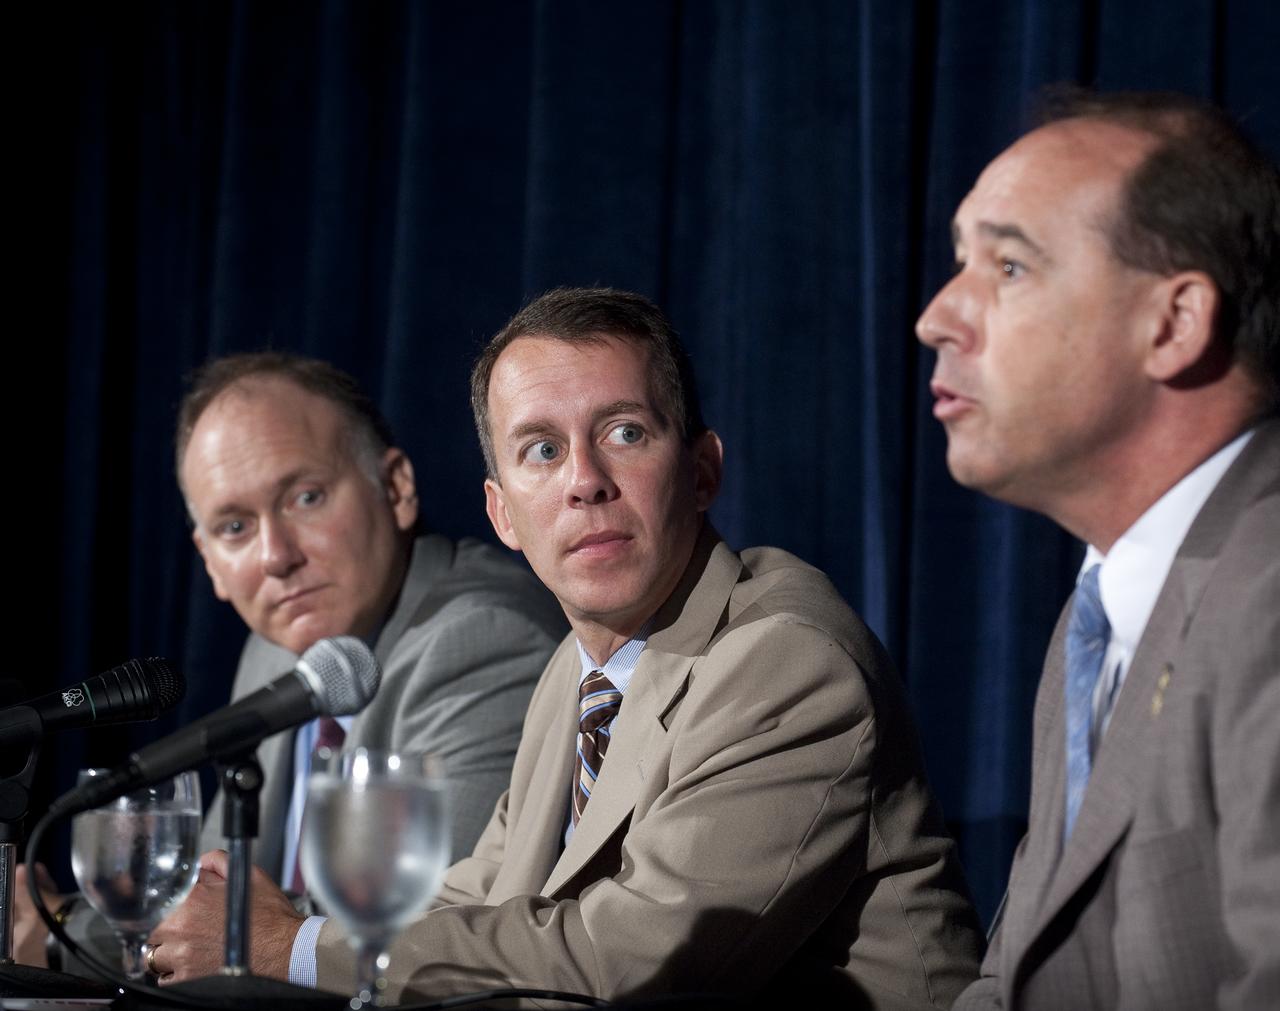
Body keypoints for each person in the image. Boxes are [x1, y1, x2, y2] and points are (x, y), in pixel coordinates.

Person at [152, 289, 983, 1008]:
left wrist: (292, 947)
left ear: (701, 471)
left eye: (624, 432)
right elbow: (474, 897)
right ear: (503, 513)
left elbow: (632, 960)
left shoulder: (784, 658)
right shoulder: (583, 669)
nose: (584, 478)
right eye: (542, 450)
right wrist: (271, 924)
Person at [16, 352, 565, 971]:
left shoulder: (483, 639)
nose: (276, 556)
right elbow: (210, 898)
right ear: (208, 562)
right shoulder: (278, 648)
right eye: (234, 527)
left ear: (397, 488)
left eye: (305, 497)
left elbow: (424, 924)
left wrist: (62, 929)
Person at [915, 90, 1279, 1009]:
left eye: (1008, 265)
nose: (937, 316)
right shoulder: (1103, 611)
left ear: (1174, 323)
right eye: (959, 261)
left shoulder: (1268, 589)